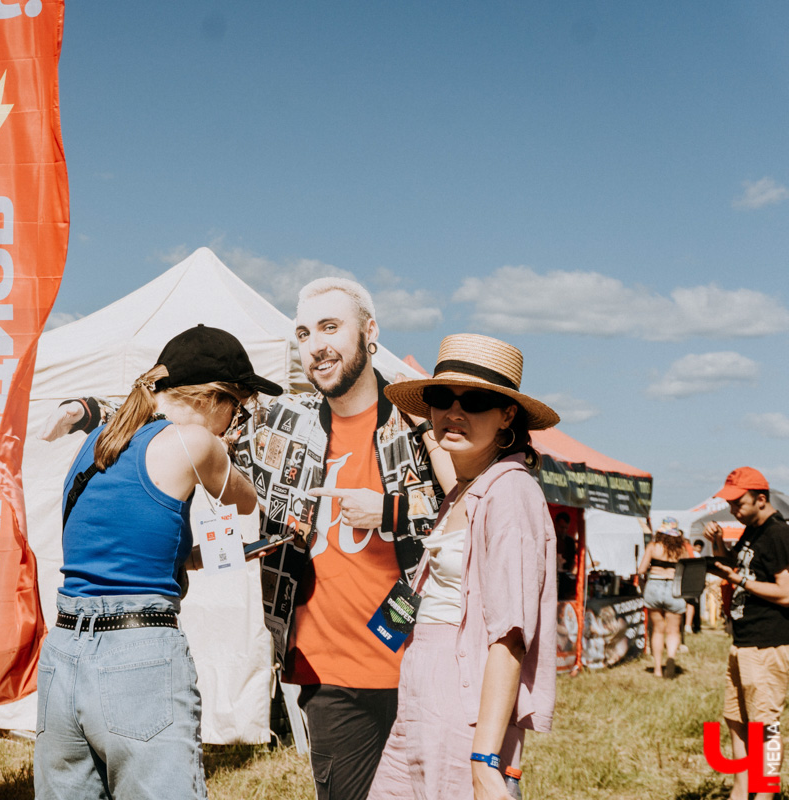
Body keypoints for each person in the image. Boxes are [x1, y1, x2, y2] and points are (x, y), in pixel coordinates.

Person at [44, 278, 455, 800]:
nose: (316, 345)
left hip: (421, 655)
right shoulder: (285, 423)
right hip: (327, 670)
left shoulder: (420, 414)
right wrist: (91, 409)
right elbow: (177, 407)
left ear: (370, 331)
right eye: (304, 333)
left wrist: (390, 510)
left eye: (331, 327)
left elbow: (471, 509)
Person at [32, 325, 282, 800]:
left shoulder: (99, 441)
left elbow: (128, 557)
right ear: (214, 398)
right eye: (240, 409)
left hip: (64, 650)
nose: (236, 421)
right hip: (138, 651)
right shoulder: (196, 442)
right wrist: (224, 451)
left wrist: (203, 556)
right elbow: (247, 502)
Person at [367, 333, 558, 800]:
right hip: (420, 691)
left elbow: (510, 635)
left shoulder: (510, 493)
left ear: (507, 415)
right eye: (440, 398)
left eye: (473, 401)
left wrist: (485, 756)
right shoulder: (466, 488)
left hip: (462, 702)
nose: (454, 412)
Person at [703, 467, 789, 800]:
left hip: (767, 644)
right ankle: (740, 792)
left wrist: (736, 579)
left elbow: (785, 593)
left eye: (739, 503)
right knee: (736, 721)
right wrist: (716, 545)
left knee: (764, 728)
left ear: (761, 499)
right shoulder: (752, 530)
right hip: (743, 641)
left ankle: (765, 795)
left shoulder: (779, 534)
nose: (733, 510)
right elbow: (739, 570)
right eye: (730, 503)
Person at [637, 517, 690, 678]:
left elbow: (641, 570)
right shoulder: (682, 550)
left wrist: (644, 584)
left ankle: (658, 669)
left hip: (654, 586)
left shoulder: (653, 547)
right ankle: (671, 659)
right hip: (675, 587)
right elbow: (689, 571)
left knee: (658, 630)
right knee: (673, 631)